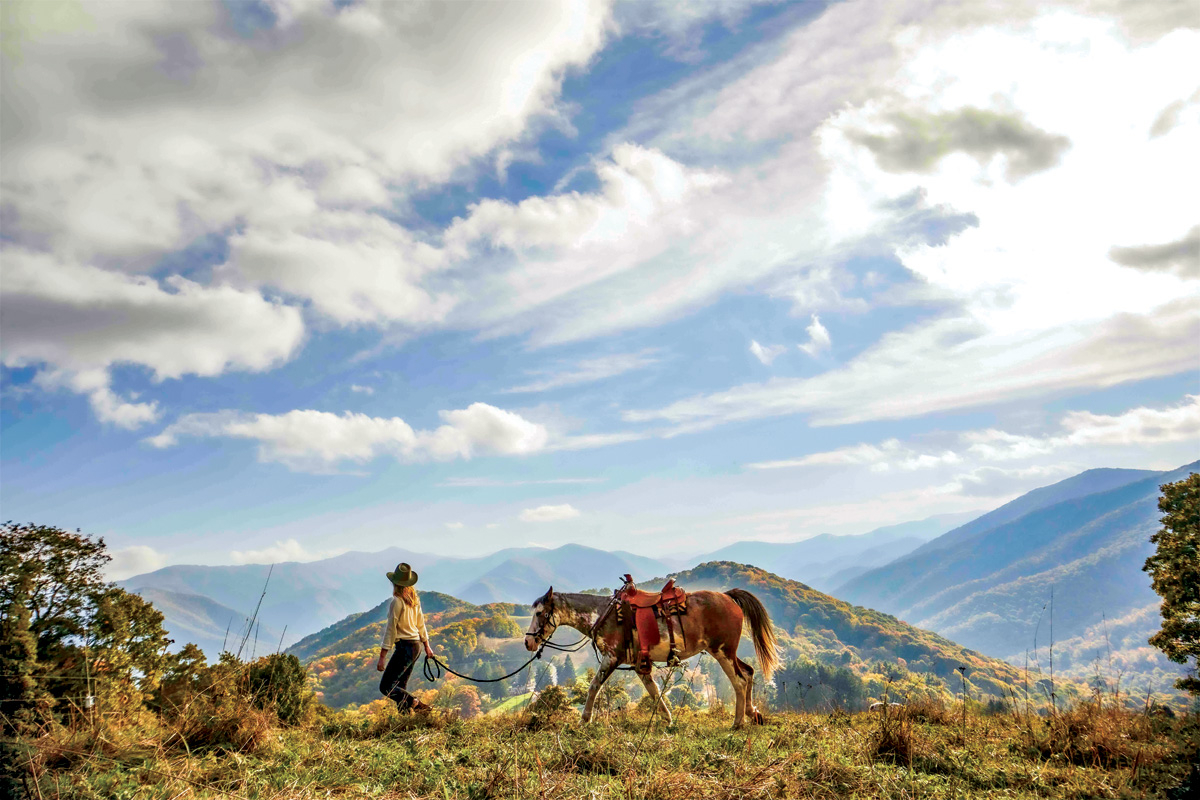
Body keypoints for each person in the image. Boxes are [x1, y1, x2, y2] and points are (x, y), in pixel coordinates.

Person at [376, 562, 436, 713]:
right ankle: (404, 724)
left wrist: (382, 656)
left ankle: (416, 704)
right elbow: (421, 624)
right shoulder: (414, 600)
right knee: (400, 687)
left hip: (405, 647)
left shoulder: (397, 602)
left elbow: (391, 630)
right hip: (416, 646)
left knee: (386, 687)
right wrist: (427, 646)